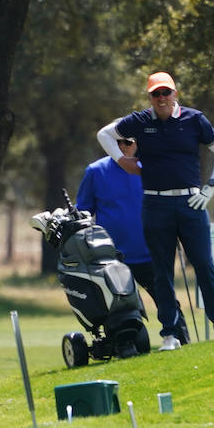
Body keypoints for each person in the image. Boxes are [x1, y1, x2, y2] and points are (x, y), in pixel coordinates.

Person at [96, 71, 214, 350]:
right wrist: (122, 159)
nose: (161, 98)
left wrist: (211, 187)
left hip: (191, 203)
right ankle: (170, 334)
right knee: (162, 271)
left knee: (205, 267)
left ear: (175, 94)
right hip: (155, 203)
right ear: (150, 96)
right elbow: (104, 134)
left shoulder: (194, 119)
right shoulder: (139, 121)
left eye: (166, 93)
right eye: (156, 94)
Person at [76, 137, 172, 332]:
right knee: (119, 311)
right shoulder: (95, 171)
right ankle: (128, 345)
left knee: (167, 301)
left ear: (137, 144)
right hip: (112, 258)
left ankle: (179, 339)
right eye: (116, 142)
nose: (121, 147)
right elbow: (83, 212)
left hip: (149, 252)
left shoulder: (150, 168)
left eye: (127, 142)